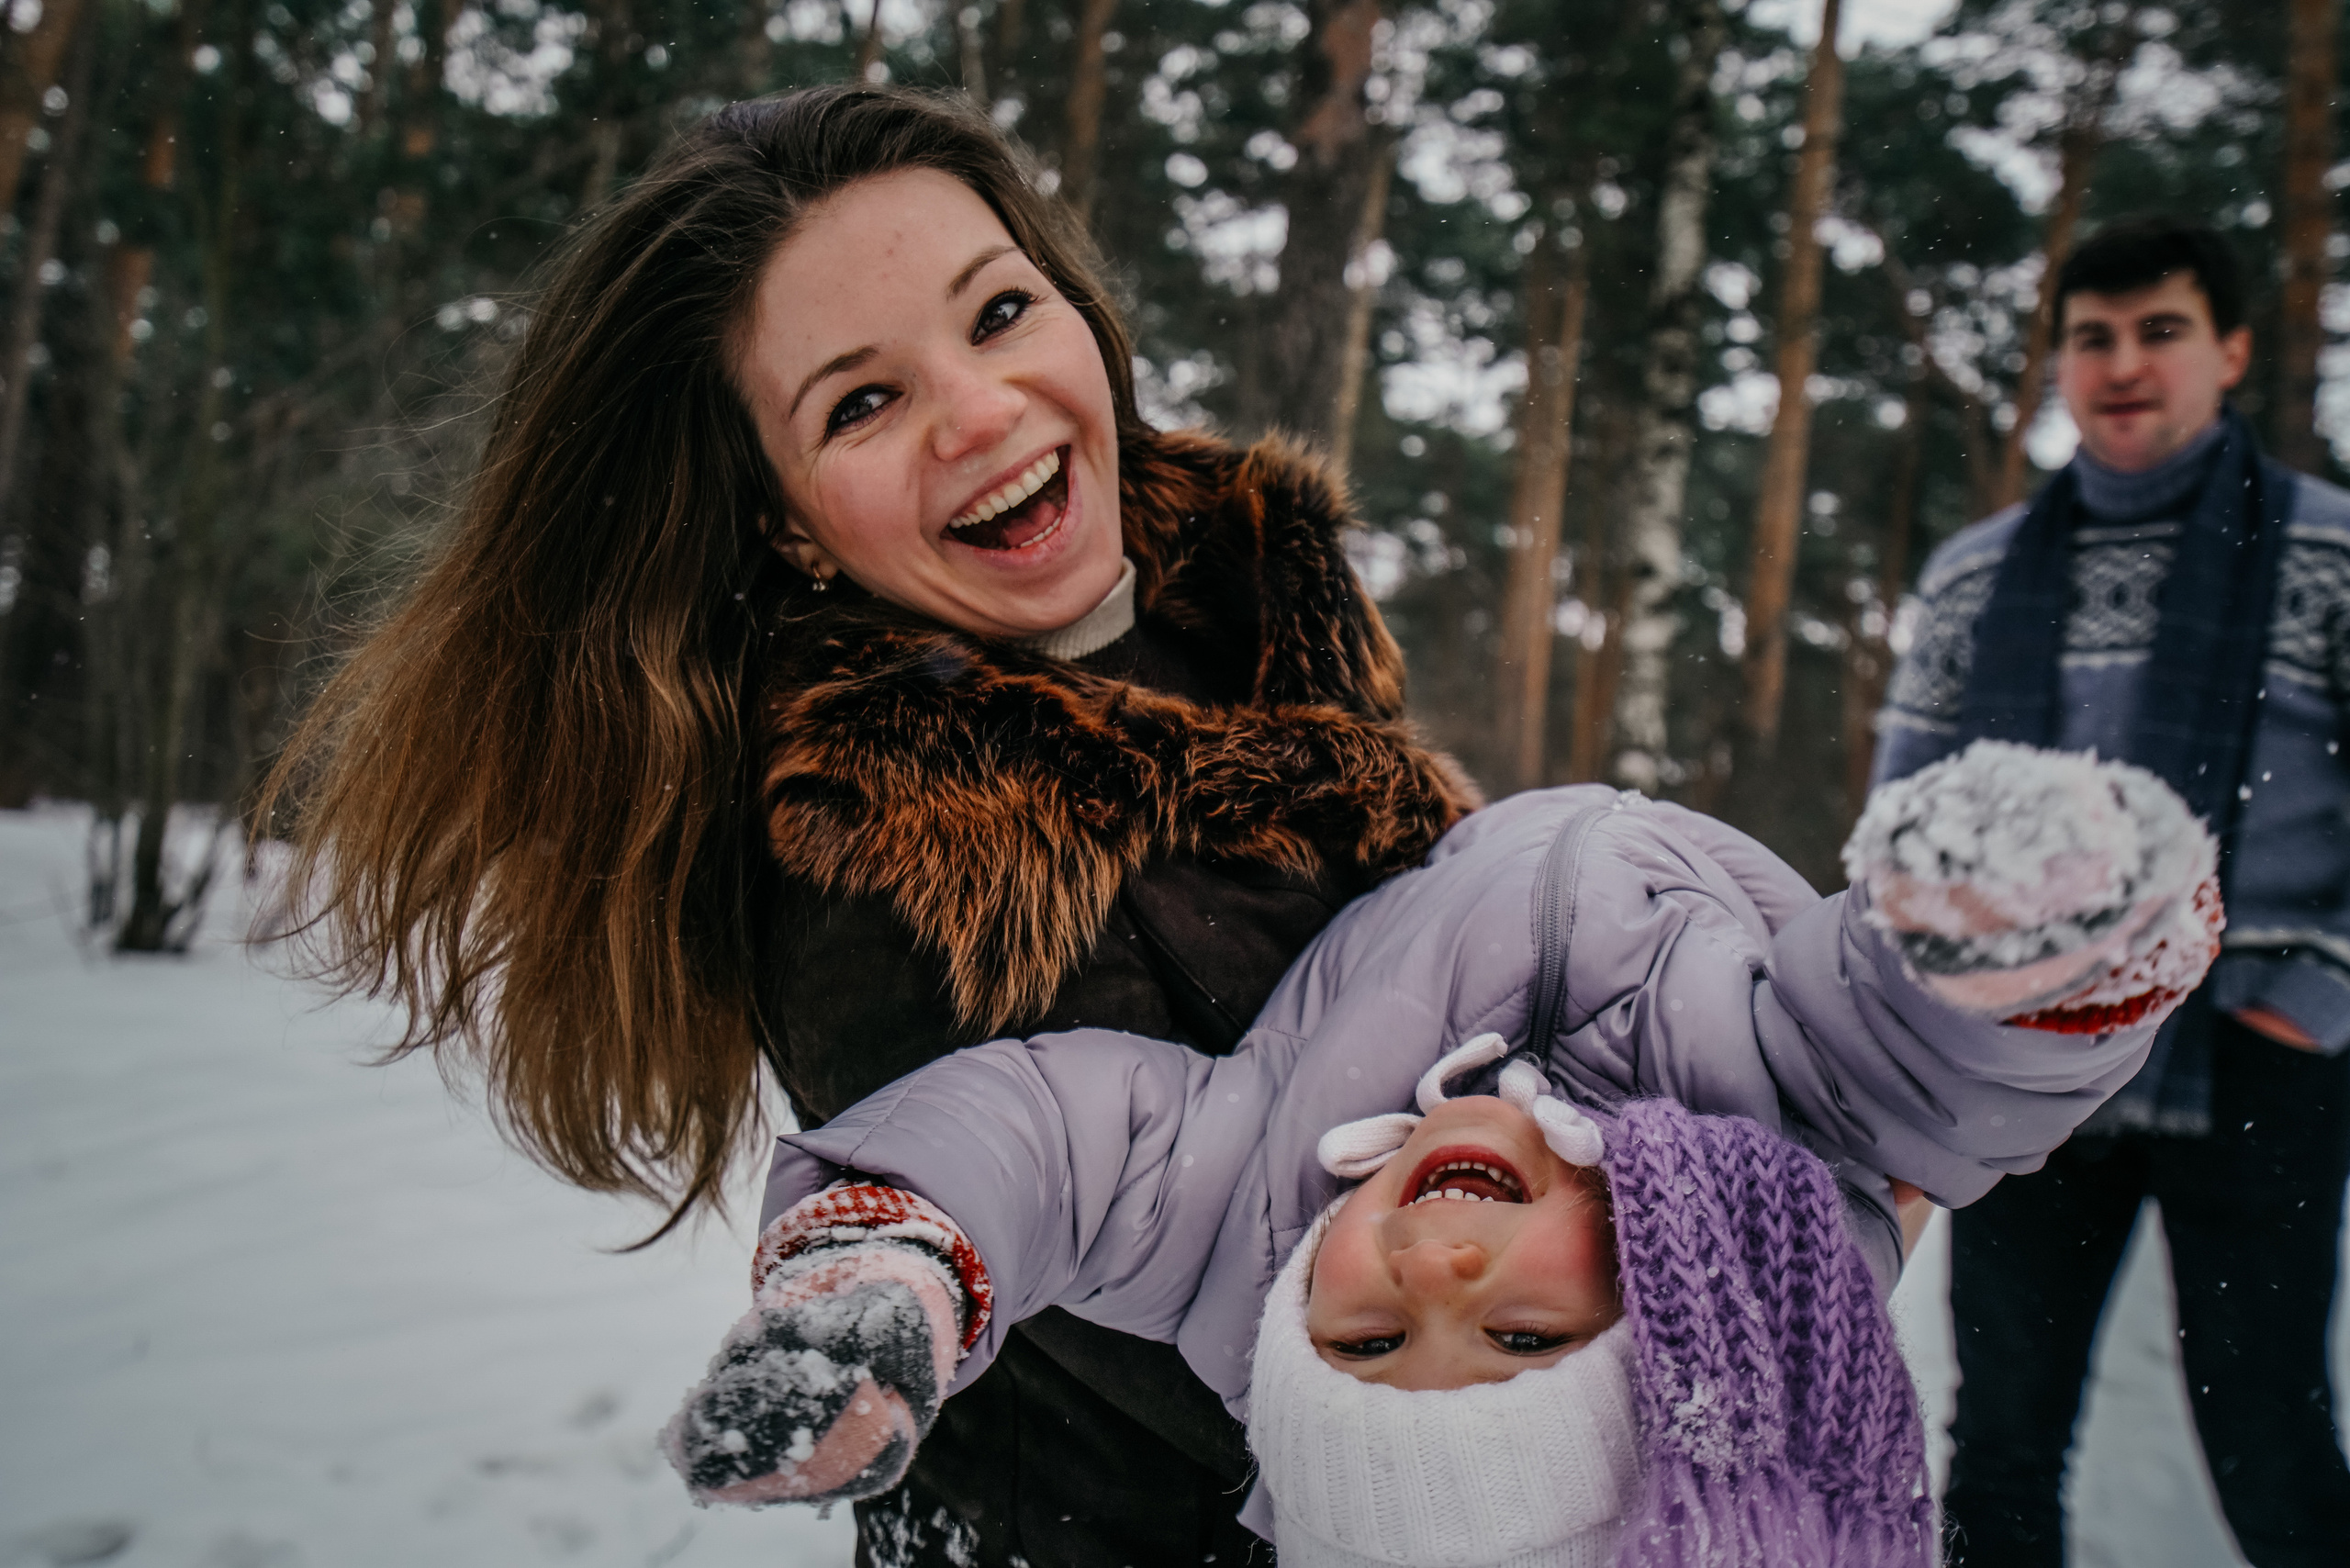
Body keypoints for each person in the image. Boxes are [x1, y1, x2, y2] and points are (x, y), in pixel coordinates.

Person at [266, 86, 1478, 1568]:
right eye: (860, 401)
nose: (982, 413)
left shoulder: (1256, 596)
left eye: (998, 313)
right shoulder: (891, 852)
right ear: (784, 519)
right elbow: (1253, 1377)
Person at [664, 741, 2221, 1566]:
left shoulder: (1247, 1230)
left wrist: (890, 1263)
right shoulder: (1761, 1170)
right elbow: (1924, 1068)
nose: (1432, 1263)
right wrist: (2035, 941)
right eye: (1522, 1337)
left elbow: (1055, 1139)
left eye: (1366, 1338)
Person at [1874, 214, 2350, 1565]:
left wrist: (2312, 995)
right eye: (2093, 338)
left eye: (2161, 330)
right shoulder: (1978, 577)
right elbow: (1907, 823)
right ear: (2060, 366)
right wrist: (1947, 1014)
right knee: (2002, 1445)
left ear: (2232, 350)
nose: (2124, 363)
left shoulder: (2329, 551)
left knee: (2272, 1445)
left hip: (2255, 1056)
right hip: (2026, 1061)